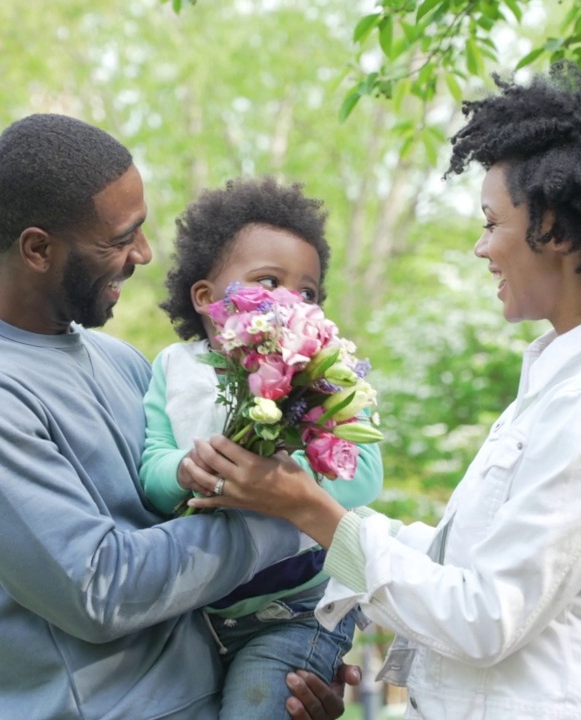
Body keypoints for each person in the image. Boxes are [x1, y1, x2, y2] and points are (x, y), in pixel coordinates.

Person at [185, 63, 581, 719]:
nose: (481, 247)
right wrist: (308, 511)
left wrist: (313, 513)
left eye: (492, 222)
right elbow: (462, 563)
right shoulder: (570, 378)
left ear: (554, 228)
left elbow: (487, 617)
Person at [0, 113, 357, 720]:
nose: (142, 253)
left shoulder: (119, 362)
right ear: (38, 248)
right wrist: (299, 518)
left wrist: (285, 660)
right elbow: (99, 588)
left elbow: (189, 534)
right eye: (119, 239)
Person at [139, 177, 384, 719]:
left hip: (299, 608)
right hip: (198, 614)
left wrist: (282, 477)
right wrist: (183, 470)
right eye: (268, 281)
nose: (291, 302)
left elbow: (364, 474)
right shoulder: (173, 370)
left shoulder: (328, 373)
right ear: (205, 297)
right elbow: (150, 467)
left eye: (308, 292)